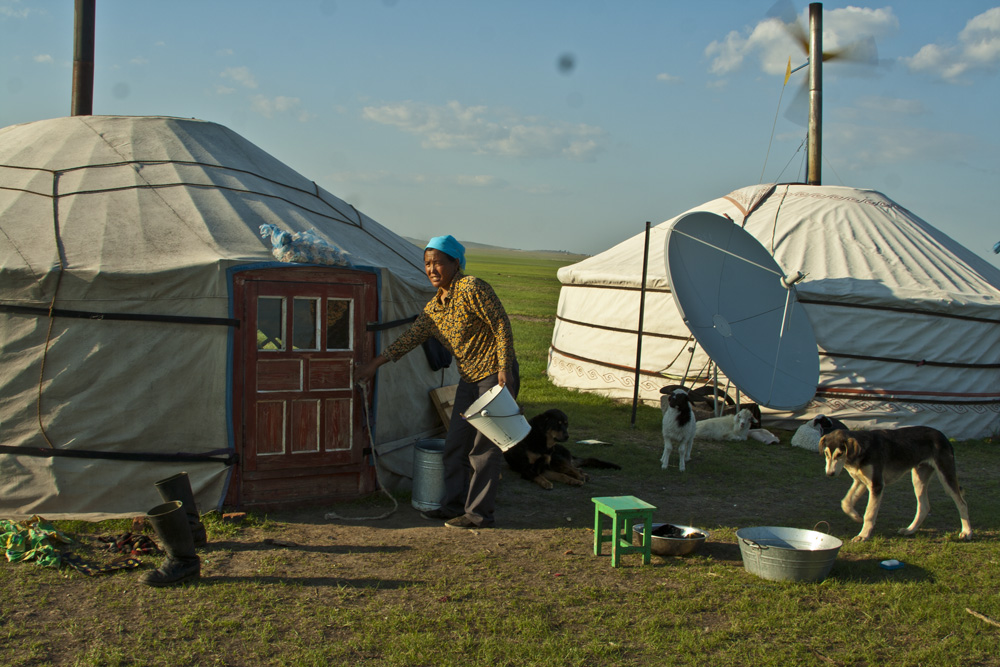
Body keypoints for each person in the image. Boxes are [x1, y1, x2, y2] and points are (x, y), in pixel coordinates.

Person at [354, 235, 518, 529]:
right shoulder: (435, 308)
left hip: (495, 374)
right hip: (469, 378)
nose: (431, 269)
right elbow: (408, 340)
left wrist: (504, 367)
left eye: (438, 262)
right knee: (455, 445)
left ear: (456, 263)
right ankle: (452, 506)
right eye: (427, 263)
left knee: (484, 449)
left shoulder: (472, 288)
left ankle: (479, 515)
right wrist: (373, 366)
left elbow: (500, 325)